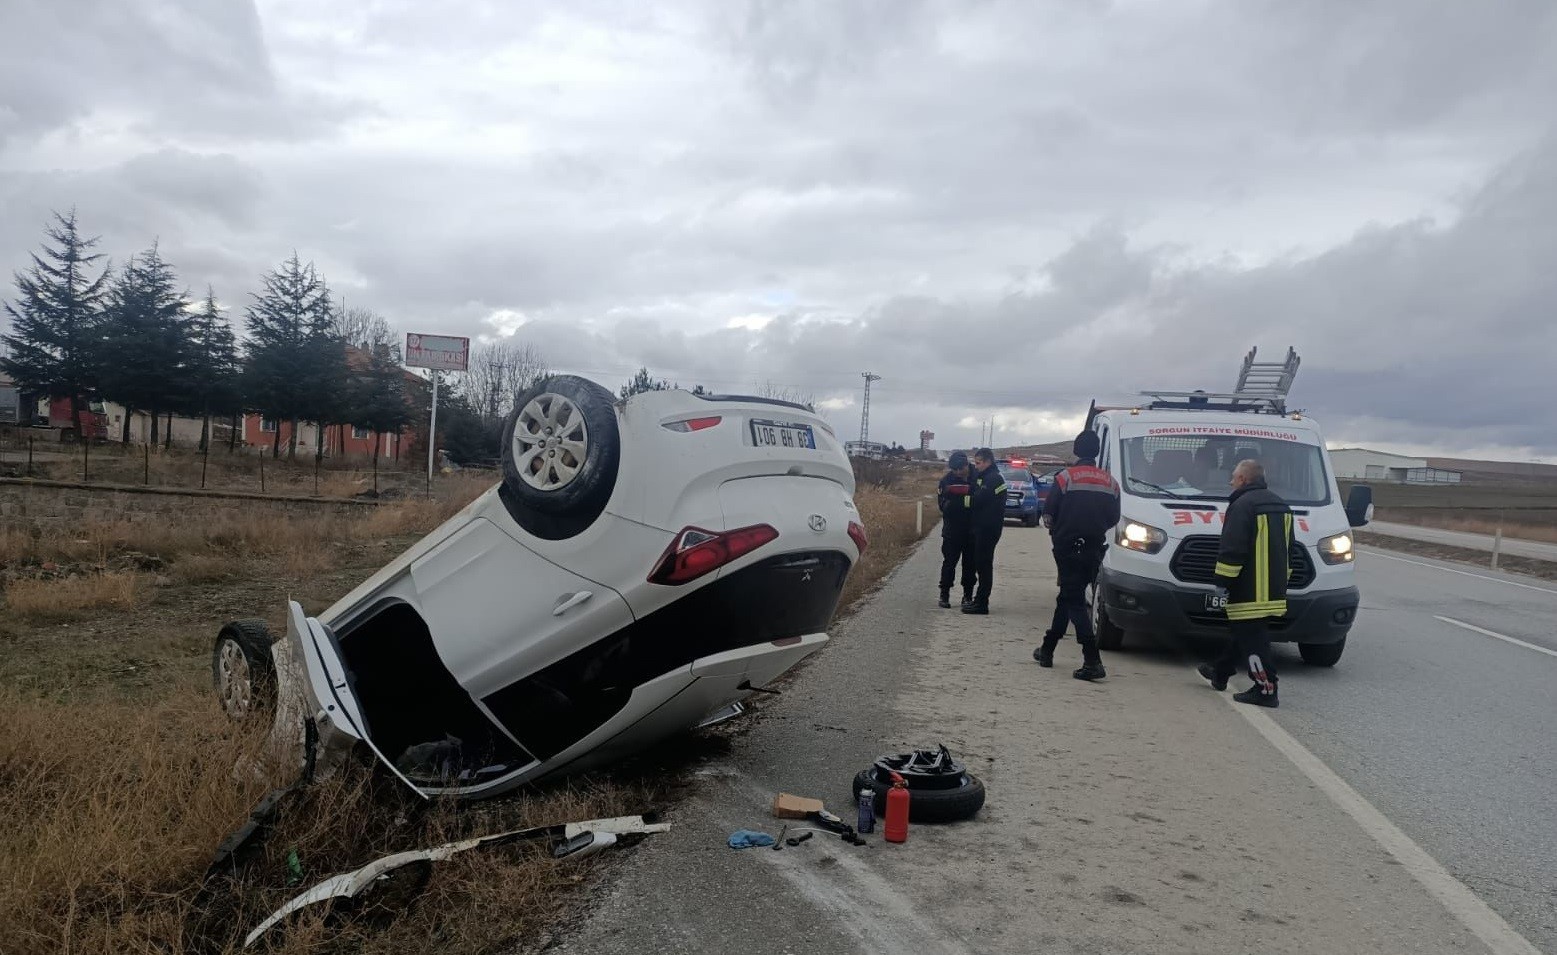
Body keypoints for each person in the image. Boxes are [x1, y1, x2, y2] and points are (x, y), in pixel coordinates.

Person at [1199, 458, 1291, 707]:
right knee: (1244, 633)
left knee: (1254, 640)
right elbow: (1288, 549)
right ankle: (1220, 671)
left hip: (1248, 588)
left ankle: (1266, 689)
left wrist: (1222, 581)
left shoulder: (1242, 505)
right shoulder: (1281, 505)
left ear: (1243, 479)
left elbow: (1232, 549)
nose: (1230, 481)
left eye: (1233, 477)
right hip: (1272, 587)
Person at [1033, 430, 1120, 681]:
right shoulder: (1110, 482)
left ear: (1076, 450)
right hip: (1093, 547)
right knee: (1070, 595)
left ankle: (1092, 660)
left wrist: (1059, 529)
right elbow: (1114, 517)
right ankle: (1047, 649)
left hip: (1067, 546)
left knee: (1074, 601)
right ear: (1097, 451)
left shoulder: (1065, 478)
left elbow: (1048, 515)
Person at [961, 448, 1007, 615]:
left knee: (984, 565)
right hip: (983, 527)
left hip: (988, 528)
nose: (976, 466)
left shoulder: (993, 479)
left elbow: (978, 500)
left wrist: (959, 500)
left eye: (978, 463)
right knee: (981, 564)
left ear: (988, 462)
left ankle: (981, 603)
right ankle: (979, 600)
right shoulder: (986, 476)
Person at [935, 451, 976, 609]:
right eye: (955, 470)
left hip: (972, 530)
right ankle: (944, 594)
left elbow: (980, 500)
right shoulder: (946, 480)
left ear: (966, 465)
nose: (958, 473)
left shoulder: (977, 477)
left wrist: (960, 500)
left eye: (960, 469)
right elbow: (943, 506)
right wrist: (961, 502)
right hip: (952, 530)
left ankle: (967, 595)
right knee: (949, 563)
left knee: (970, 565)